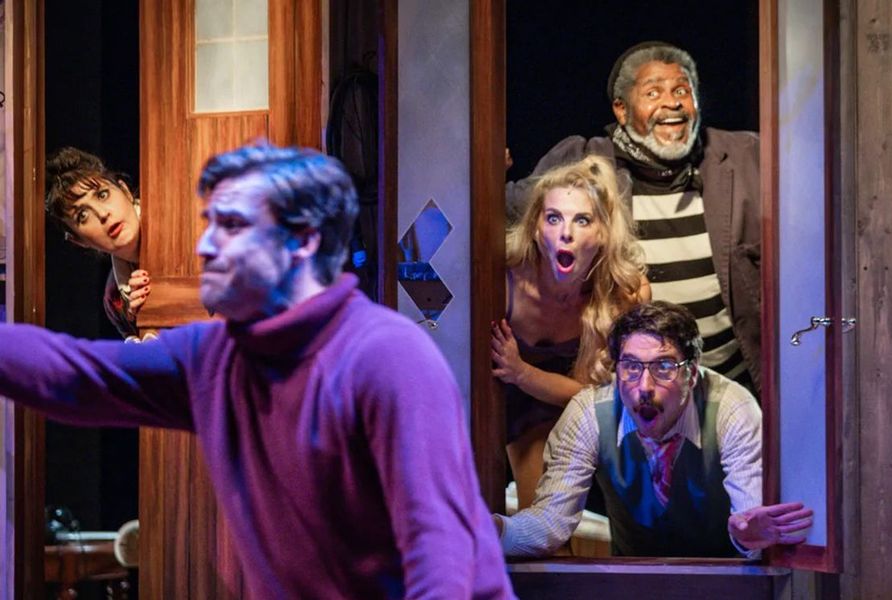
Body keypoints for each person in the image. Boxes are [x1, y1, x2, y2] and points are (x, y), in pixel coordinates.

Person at [0, 142, 513, 598]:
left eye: (232, 227)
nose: (205, 245)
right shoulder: (213, 359)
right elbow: (74, 373)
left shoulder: (386, 355)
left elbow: (439, 555)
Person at [507, 41, 762, 394]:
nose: (672, 103)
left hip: (732, 384)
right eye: (653, 92)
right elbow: (501, 211)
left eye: (681, 90)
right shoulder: (587, 162)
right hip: (641, 394)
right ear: (622, 110)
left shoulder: (744, 155)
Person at [495, 301, 813, 558]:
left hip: (724, 582)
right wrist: (489, 531)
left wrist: (749, 538)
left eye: (664, 367)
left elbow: (751, 520)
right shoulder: (589, 412)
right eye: (631, 367)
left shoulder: (731, 409)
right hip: (633, 583)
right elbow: (551, 523)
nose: (645, 386)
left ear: (691, 373)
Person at [493, 156, 650, 510]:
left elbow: (595, 396)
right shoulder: (504, 279)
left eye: (582, 220)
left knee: (550, 522)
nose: (566, 232)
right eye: (553, 218)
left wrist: (522, 372)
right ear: (536, 228)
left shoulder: (625, 294)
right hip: (496, 405)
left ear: (604, 233)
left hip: (570, 409)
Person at [45, 147, 151, 341]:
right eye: (83, 215)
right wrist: (144, 318)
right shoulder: (114, 299)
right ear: (79, 240)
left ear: (125, 191)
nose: (102, 214)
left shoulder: (187, 219)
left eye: (102, 195)